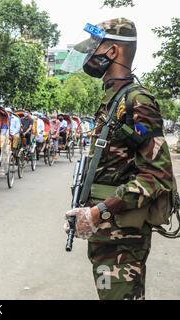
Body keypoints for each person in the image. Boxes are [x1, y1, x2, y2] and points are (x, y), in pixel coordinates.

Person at [63, 18, 175, 300]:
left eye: (95, 45)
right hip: (109, 233)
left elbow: (156, 175)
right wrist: (84, 211)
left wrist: (99, 211)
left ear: (112, 51)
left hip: (123, 237)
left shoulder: (137, 101)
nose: (90, 53)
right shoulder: (114, 100)